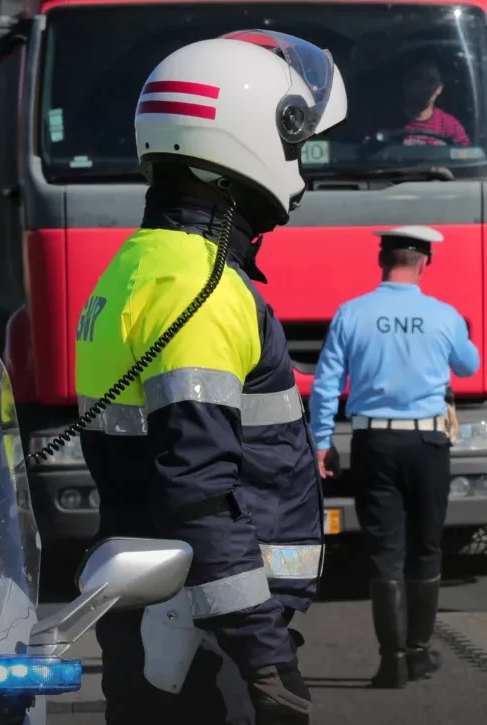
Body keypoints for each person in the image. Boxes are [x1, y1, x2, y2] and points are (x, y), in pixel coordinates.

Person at [73, 30, 347, 725]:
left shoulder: (138, 266)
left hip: (158, 617)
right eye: (297, 145)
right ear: (251, 135)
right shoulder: (202, 289)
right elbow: (195, 490)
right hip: (205, 635)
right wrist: (264, 655)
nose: (303, 170)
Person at [307, 225, 480, 689]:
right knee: (425, 547)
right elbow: (469, 365)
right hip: (427, 445)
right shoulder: (443, 315)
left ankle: (391, 661)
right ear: (424, 262)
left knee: (384, 551)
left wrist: (322, 441)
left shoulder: (352, 313)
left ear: (383, 261)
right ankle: (419, 653)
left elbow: (326, 386)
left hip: (373, 446)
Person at [400, 59, 470, 147]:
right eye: (417, 79)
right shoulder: (388, 121)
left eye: (430, 82)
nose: (423, 87)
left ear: (439, 89)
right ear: (406, 83)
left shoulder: (451, 126)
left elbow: (468, 155)